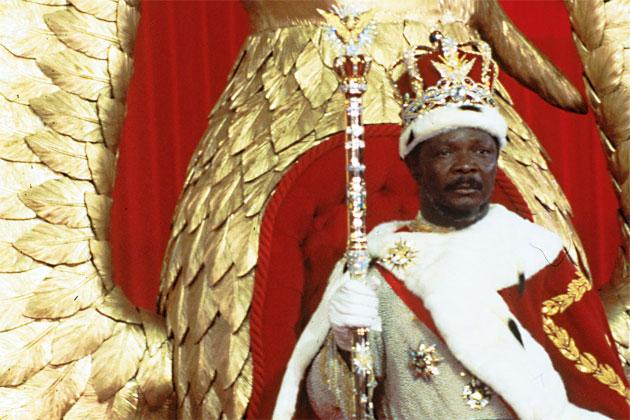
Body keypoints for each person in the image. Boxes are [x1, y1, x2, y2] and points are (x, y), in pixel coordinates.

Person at [273, 33, 629, 419]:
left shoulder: (536, 254)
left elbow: (595, 390)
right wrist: (344, 346)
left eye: (482, 151)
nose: (466, 165)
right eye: (445, 151)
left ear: (496, 162)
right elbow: (333, 404)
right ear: (414, 165)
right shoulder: (377, 265)